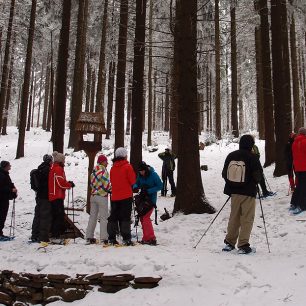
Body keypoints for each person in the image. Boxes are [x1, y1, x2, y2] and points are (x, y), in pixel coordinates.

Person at [222, 135, 262, 254]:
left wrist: (232, 184)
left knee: (234, 217)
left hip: (234, 193)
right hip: (248, 192)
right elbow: (258, 176)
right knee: (247, 218)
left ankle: (229, 243)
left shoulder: (231, 155)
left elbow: (224, 173)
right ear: (251, 144)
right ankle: (243, 245)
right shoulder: (253, 157)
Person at [107, 147, 136, 246]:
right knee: (125, 217)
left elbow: (112, 180)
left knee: (113, 217)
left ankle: (111, 237)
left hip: (115, 196)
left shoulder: (112, 168)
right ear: (124, 156)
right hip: (126, 196)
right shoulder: (128, 167)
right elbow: (132, 181)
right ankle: (126, 238)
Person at [47, 151, 74, 245]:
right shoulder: (58, 169)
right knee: (58, 216)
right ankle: (55, 236)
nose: (64, 162)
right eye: (64, 160)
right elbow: (60, 183)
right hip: (56, 196)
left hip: (55, 195)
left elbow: (60, 181)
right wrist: (69, 185)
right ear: (60, 161)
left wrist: (67, 183)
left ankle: (54, 235)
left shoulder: (54, 168)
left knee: (56, 216)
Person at [133, 161, 163, 245]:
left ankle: (151, 238)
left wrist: (149, 191)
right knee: (142, 218)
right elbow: (137, 183)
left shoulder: (153, 175)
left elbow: (160, 185)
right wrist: (135, 187)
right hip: (142, 199)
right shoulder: (140, 175)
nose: (141, 173)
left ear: (146, 169)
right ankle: (146, 238)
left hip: (151, 200)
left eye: (143, 171)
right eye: (140, 171)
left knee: (146, 217)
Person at [85, 154, 111, 245]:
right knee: (104, 218)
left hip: (93, 196)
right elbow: (106, 184)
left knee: (93, 217)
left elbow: (92, 185)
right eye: (106, 161)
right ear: (102, 162)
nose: (107, 163)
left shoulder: (93, 172)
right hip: (101, 196)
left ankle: (89, 236)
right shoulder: (103, 171)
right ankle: (104, 238)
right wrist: (111, 190)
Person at [30, 154, 53, 243]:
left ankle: (34, 235)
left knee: (37, 216)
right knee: (45, 216)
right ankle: (43, 237)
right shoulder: (48, 170)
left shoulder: (39, 169)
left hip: (38, 196)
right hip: (45, 197)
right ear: (49, 161)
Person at [290, 127, 306, 215]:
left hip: (298, 168)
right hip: (304, 168)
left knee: (299, 185)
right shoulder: (304, 141)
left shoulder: (295, 142)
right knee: (303, 187)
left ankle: (294, 203)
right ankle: (302, 205)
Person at [0, 161, 17, 239]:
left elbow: (8, 184)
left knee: (3, 216)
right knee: (1, 216)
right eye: (9, 165)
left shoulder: (5, 174)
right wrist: (11, 190)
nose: (10, 166)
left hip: (4, 198)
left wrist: (12, 188)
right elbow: (2, 187)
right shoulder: (2, 175)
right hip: (2, 199)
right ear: (5, 166)